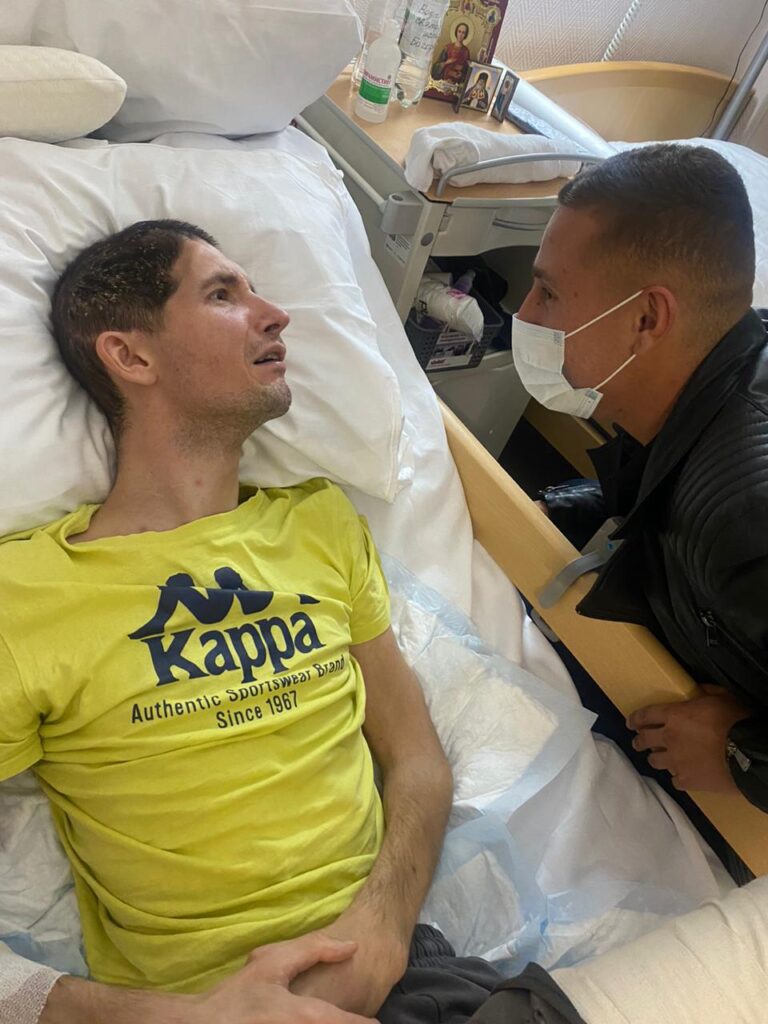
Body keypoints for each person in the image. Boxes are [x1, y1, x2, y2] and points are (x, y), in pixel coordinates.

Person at [0, 218, 510, 1023]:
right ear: (131, 356)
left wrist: (382, 934)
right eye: (222, 294)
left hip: (410, 978)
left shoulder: (321, 523)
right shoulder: (27, 594)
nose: (276, 314)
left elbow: (417, 761)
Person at [513, 144, 768, 815]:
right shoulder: (701, 379)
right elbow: (660, 491)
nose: (526, 316)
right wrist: (560, 509)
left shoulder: (746, 514)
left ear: (647, 319)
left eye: (549, 292)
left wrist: (743, 755)